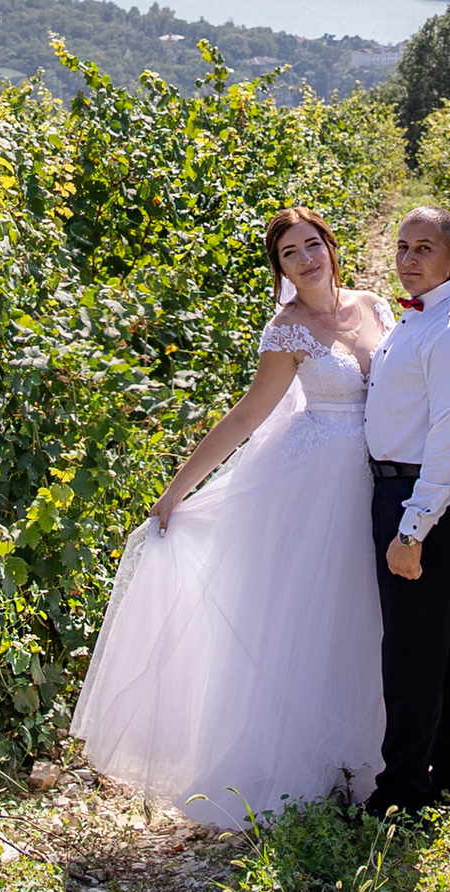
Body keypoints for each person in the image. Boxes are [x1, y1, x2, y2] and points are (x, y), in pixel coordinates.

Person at [69, 205, 394, 827]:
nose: (306, 258)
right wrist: (177, 490)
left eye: (312, 244)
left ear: (330, 245)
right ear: (280, 269)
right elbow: (247, 416)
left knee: (377, 608)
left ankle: (381, 753)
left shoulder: (374, 305)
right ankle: (327, 769)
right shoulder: (288, 331)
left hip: (380, 473)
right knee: (325, 616)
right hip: (320, 481)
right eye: (290, 253)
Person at [360, 204, 450, 817]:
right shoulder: (418, 318)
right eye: (402, 247)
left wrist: (412, 529)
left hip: (427, 498)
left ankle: (403, 793)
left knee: (410, 649)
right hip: (402, 490)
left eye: (424, 248)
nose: (409, 259)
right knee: (437, 635)